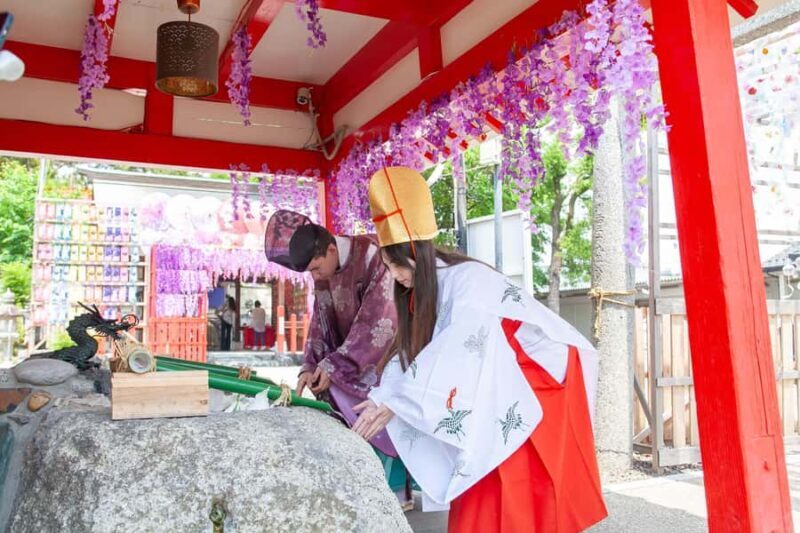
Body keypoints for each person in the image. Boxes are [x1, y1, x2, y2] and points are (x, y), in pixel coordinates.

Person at [352, 167, 608, 532]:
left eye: (395, 265)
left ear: (414, 254)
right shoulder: (424, 290)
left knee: (516, 477)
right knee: (484, 472)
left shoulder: (467, 280)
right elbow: (411, 351)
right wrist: (384, 395)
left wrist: (396, 400)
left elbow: (455, 348)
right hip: (498, 381)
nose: (395, 276)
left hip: (533, 382)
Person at [264, 209, 412, 508]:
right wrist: (311, 365)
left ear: (331, 249)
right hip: (349, 356)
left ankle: (393, 492)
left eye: (316, 268)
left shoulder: (373, 256)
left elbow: (379, 321)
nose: (316, 277)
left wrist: (334, 365)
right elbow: (321, 321)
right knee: (330, 394)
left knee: (375, 407)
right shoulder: (324, 270)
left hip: (385, 355)